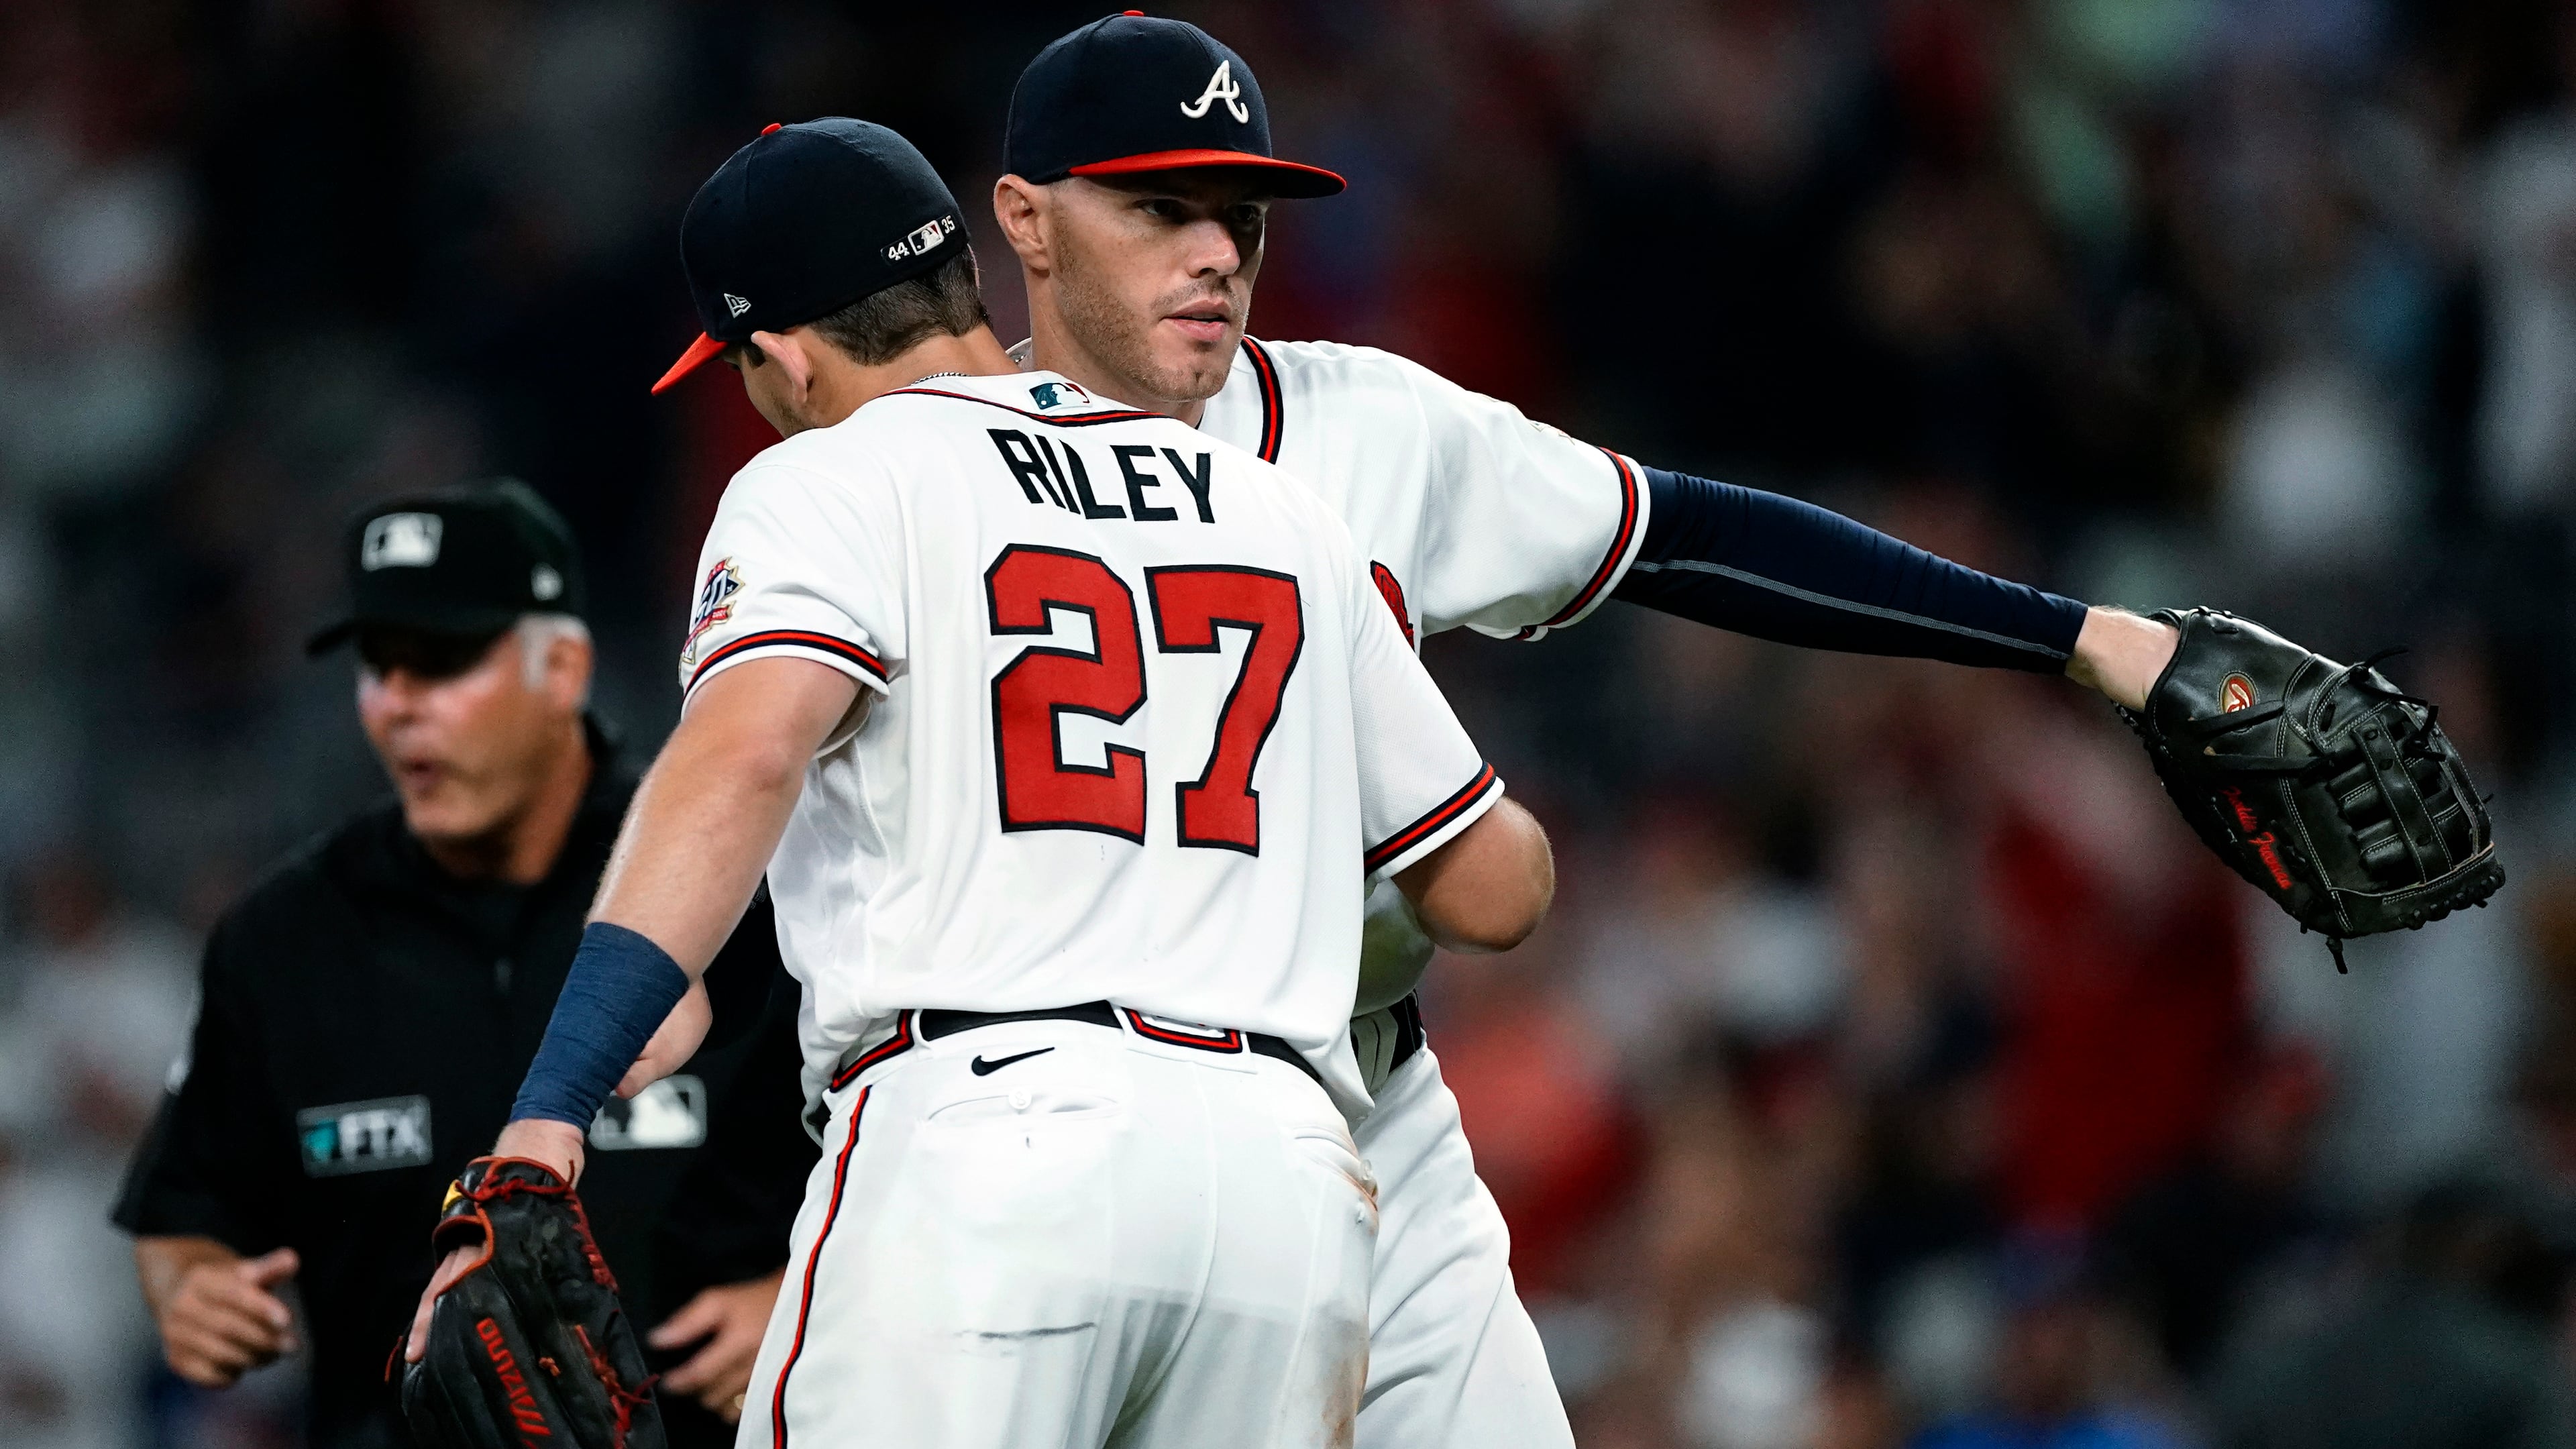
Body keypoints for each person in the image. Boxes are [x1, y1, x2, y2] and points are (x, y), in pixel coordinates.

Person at [977, 15, 2187, 1449]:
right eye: (1158, 207)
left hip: (1361, 1094)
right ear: (1029, 222)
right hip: (1054, 1118)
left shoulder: (1368, 426)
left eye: (1238, 211)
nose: (1215, 253)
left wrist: (2078, 637)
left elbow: (1698, 536)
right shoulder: (903, 484)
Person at [405, 117, 1553, 1448]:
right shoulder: (1265, 504)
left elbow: (750, 751)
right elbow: (1493, 886)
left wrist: (546, 1117)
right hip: (1283, 1188)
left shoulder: (831, 479)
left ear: (777, 358)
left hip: (989, 1150)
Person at [111, 481, 812, 1448]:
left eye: (442, 663)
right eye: (378, 665)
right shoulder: (283, 939)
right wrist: (191, 1290)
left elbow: (908, 1153)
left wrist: (809, 1295)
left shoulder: (737, 891)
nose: (399, 705)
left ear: (563, 666)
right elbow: (180, 1208)